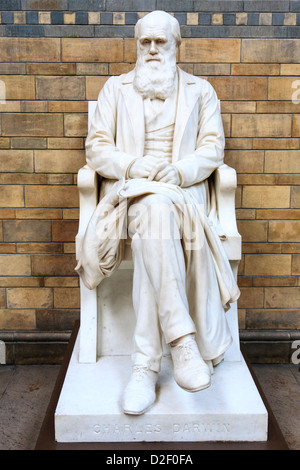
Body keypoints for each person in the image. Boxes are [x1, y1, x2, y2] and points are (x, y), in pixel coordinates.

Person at [81, 10, 240, 415]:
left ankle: (145, 367)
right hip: (131, 194)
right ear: (137, 45)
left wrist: (181, 170)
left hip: (181, 194)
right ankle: (182, 343)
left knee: (158, 216)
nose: (152, 50)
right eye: (144, 42)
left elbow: (211, 148)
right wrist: (133, 166)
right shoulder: (115, 90)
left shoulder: (202, 91)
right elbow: (97, 149)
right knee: (152, 210)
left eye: (160, 42)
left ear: (176, 45)